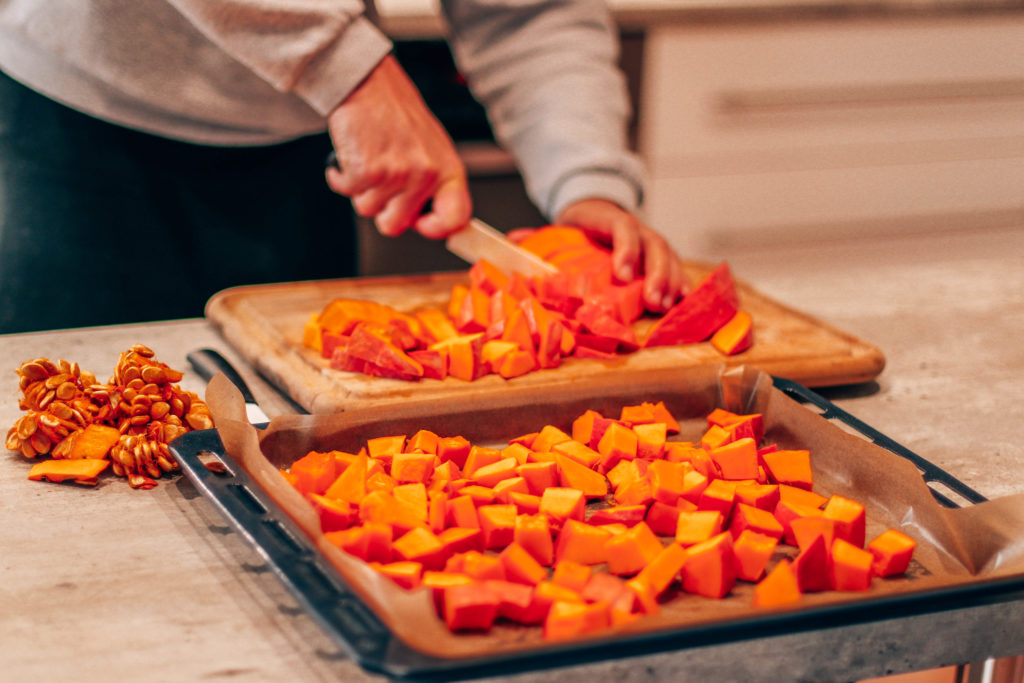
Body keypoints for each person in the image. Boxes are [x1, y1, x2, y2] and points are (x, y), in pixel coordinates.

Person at [0, 0, 686, 335]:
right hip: (70, 127)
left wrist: (587, 178)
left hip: (301, 151)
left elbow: (527, 12)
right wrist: (349, 72)